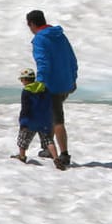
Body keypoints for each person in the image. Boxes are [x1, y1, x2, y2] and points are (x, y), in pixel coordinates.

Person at [25, 9, 78, 170]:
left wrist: (39, 85)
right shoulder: (59, 35)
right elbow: (72, 59)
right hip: (66, 83)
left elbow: (43, 65)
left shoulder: (39, 40)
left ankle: (64, 154)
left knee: (57, 120)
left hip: (52, 86)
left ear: (32, 24)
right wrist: (73, 78)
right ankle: (49, 149)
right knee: (50, 116)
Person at [15, 68, 55, 163]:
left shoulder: (26, 91)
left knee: (23, 139)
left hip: (30, 120)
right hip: (44, 120)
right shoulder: (44, 88)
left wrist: (22, 120)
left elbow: (26, 107)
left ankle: (22, 156)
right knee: (48, 140)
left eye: (22, 79)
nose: (21, 81)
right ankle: (56, 157)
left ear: (25, 80)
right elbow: (49, 103)